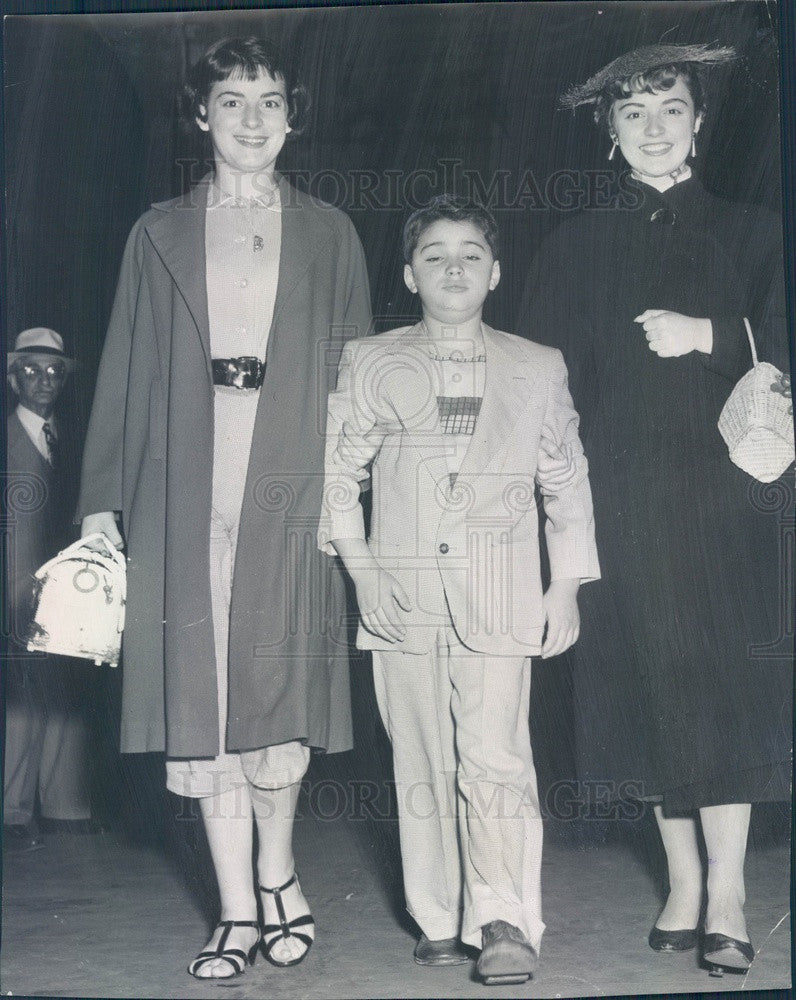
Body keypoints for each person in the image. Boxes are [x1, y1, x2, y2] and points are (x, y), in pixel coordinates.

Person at [76, 36, 371, 979]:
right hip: (181, 482)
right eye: (233, 100)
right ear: (201, 116)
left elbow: (359, 376)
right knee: (201, 700)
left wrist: (352, 496)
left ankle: (281, 878)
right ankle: (238, 912)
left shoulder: (331, 232)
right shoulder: (155, 228)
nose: (253, 118)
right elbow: (122, 369)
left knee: (275, 693)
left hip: (290, 481)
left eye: (271, 101)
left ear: (293, 116)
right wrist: (100, 504)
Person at [521, 43, 792, 976]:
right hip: (621, 498)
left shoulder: (757, 233)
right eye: (631, 114)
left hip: (726, 502)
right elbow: (545, 390)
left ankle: (729, 892)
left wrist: (710, 335)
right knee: (643, 688)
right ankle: (680, 879)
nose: (652, 127)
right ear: (607, 132)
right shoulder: (571, 247)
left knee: (719, 689)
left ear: (699, 121)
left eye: (670, 109)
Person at [320, 195, 600, 985]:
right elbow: (339, 475)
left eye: (471, 253)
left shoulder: (536, 364)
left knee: (496, 757)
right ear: (409, 274)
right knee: (418, 757)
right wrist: (364, 571)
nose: (453, 266)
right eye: (435, 253)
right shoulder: (371, 360)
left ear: (496, 272)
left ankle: (505, 916)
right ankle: (438, 917)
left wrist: (568, 583)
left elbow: (566, 481)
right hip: (400, 596)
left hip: (503, 594)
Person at [4, 328, 95, 850]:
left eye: (54, 371)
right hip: (14, 589)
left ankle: (65, 807)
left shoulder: (70, 439)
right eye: (32, 370)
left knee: (66, 690)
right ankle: (12, 812)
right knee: (21, 698)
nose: (44, 380)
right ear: (14, 377)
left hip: (67, 591)